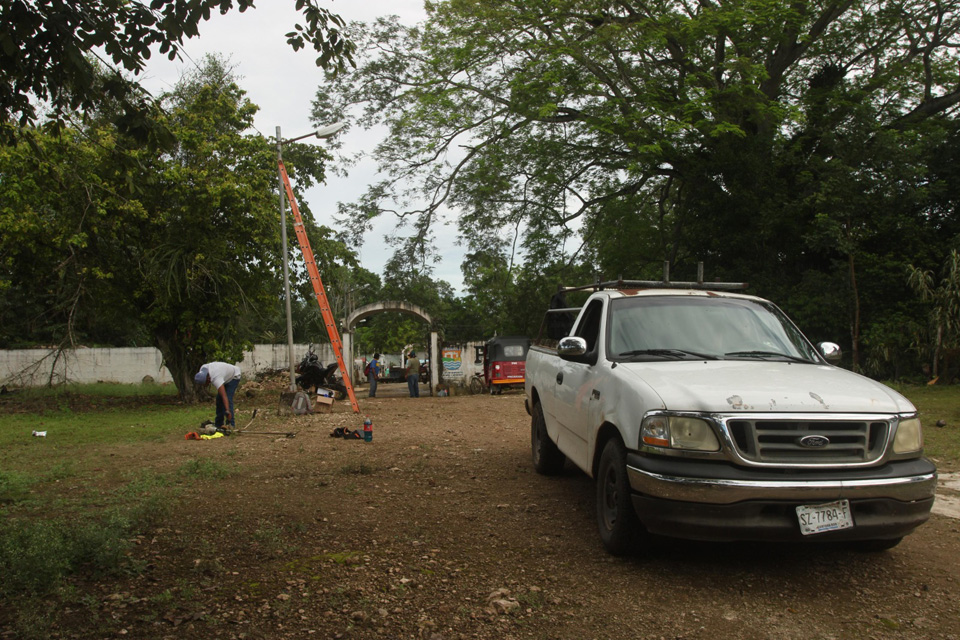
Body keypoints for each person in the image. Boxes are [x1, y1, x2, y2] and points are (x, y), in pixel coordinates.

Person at [194, 362, 242, 429]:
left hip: (234, 376)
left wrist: (227, 410)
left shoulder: (216, 377)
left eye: (205, 384)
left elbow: (224, 396)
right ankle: (219, 424)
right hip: (224, 375)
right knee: (219, 400)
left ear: (208, 379)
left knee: (227, 398)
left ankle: (231, 425)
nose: (205, 386)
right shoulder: (203, 370)